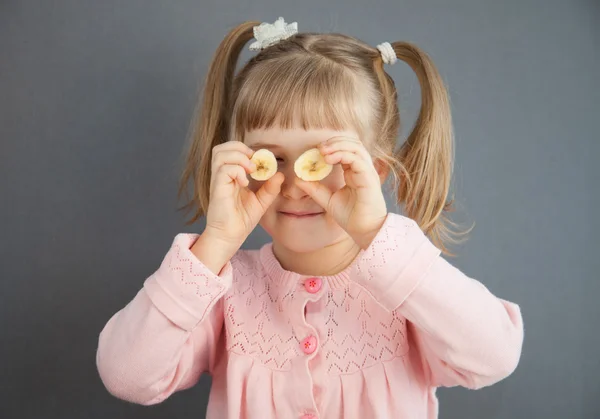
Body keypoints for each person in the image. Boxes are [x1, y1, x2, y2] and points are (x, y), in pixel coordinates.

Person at [96, 17, 524, 419]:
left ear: (373, 172)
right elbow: (127, 376)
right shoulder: (223, 288)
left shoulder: (410, 287)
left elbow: (495, 356)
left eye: (321, 160)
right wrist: (214, 245)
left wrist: (375, 234)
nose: (295, 185)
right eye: (272, 158)